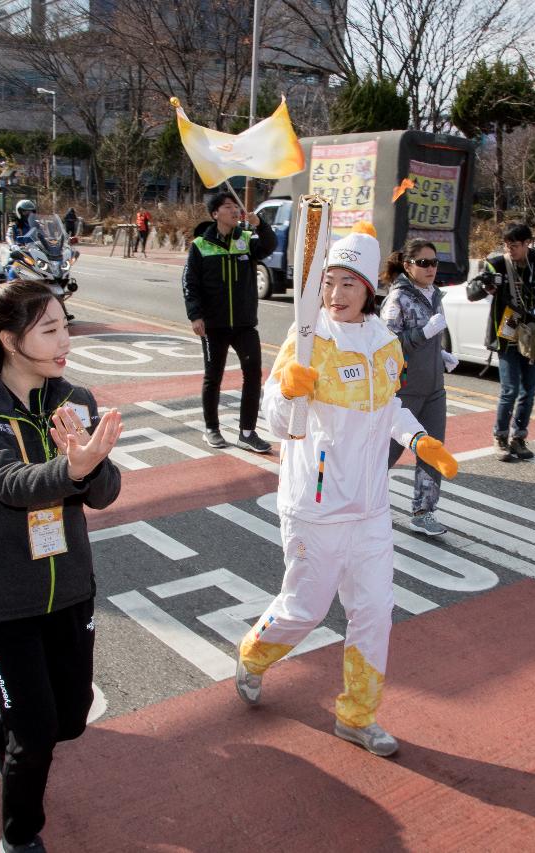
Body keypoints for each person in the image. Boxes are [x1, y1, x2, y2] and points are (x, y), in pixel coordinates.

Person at [235, 222, 459, 757]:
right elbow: (278, 422)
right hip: (315, 504)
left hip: (370, 508)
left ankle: (357, 715)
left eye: (348, 285)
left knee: (375, 611)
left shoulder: (384, 343)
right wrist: (289, 389)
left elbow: (390, 410)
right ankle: (254, 655)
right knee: (305, 609)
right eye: (329, 282)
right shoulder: (307, 338)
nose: (336, 295)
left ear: (369, 291)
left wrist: (419, 439)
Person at [0, 278, 123, 853]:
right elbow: (10, 484)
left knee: (69, 719)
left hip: (70, 588)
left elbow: (104, 494)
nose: (65, 339)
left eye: (65, 325)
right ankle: (19, 837)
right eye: (50, 329)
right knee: (38, 731)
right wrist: (72, 469)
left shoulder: (76, 402)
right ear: (9, 340)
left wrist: (92, 465)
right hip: (2, 599)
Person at [182, 191, 277, 452]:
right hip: (214, 326)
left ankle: (247, 433)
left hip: (245, 325)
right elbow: (190, 283)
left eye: (235, 206)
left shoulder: (246, 240)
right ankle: (211, 428)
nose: (235, 210)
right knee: (214, 377)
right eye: (227, 206)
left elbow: (269, 245)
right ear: (215, 214)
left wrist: (261, 225)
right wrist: (195, 315)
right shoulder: (201, 245)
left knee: (253, 374)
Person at [466, 221, 535, 462]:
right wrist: (485, 286)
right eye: (507, 244)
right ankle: (500, 437)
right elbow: (471, 292)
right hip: (506, 335)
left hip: (533, 337)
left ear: (528, 244)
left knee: (528, 391)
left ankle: (519, 438)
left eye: (516, 245)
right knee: (509, 390)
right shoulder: (496, 264)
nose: (510, 249)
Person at [380, 238, 455, 536]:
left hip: (435, 387)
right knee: (386, 454)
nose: (430, 268)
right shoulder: (398, 298)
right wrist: (424, 333)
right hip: (406, 389)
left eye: (434, 262)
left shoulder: (435, 294)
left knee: (433, 450)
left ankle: (424, 512)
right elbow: (387, 345)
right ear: (408, 265)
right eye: (423, 263)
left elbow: (429, 339)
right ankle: (354, 498)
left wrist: (441, 355)